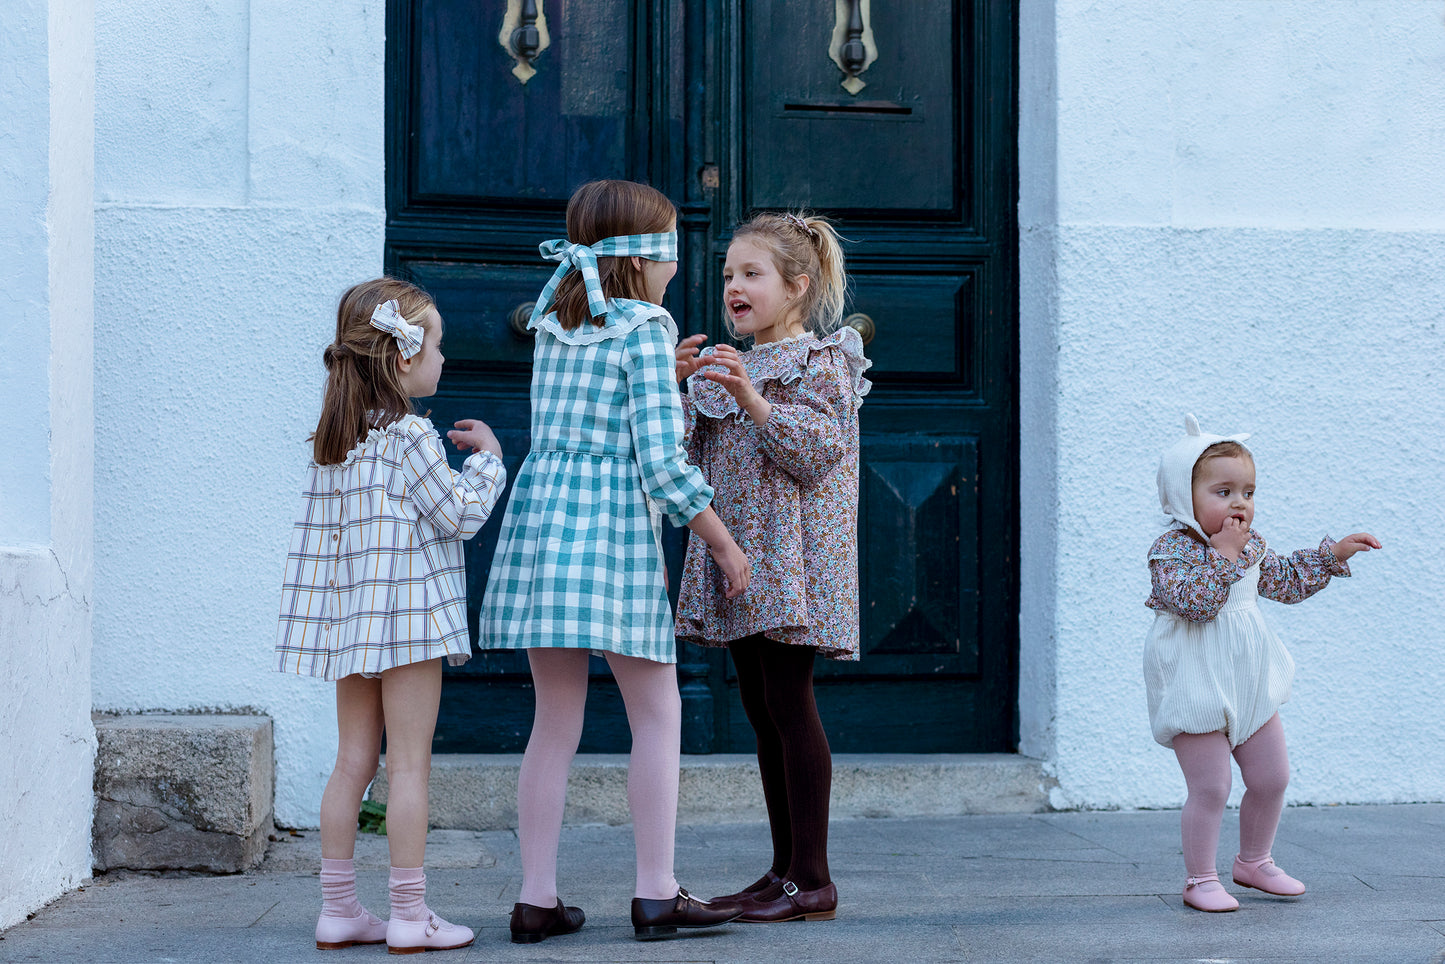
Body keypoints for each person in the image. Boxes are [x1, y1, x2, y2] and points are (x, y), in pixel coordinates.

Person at [478, 179, 751, 943]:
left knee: (553, 720)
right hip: (613, 539)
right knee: (657, 713)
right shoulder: (646, 327)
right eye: (670, 250)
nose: (677, 265)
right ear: (639, 260)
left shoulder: (554, 322)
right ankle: (657, 893)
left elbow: (589, 416)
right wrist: (721, 540)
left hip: (545, 529)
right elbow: (659, 462)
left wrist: (668, 378)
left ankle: (535, 899)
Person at [275, 278, 506, 952]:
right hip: (409, 624)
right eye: (436, 345)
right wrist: (489, 462)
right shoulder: (410, 435)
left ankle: (339, 909)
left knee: (351, 761)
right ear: (404, 356)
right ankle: (409, 915)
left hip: (352, 623)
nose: (443, 358)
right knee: (408, 767)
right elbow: (458, 515)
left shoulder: (335, 440)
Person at [674, 211, 871, 924]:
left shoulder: (823, 362)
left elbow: (815, 452)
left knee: (789, 703)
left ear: (797, 286)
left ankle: (812, 878)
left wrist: (751, 398)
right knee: (761, 709)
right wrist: (674, 387)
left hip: (792, 561)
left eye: (751, 273)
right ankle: (784, 870)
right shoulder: (726, 365)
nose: (734, 285)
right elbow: (680, 460)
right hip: (740, 556)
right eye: (728, 273)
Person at [1143, 415, 1380, 912]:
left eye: (1247, 493)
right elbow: (1194, 604)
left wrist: (1332, 556)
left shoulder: (1249, 546)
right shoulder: (1171, 552)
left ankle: (1254, 861)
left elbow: (1285, 582)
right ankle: (1200, 880)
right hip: (1195, 685)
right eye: (1223, 492)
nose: (1239, 504)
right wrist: (1223, 557)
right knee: (1212, 787)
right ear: (1184, 497)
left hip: (1249, 681)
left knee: (1272, 777)